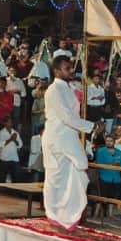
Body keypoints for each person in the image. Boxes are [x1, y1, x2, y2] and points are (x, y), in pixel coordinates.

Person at [41, 56, 96, 231]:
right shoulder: (53, 90)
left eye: (72, 68)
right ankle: (54, 215)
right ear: (57, 71)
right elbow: (66, 117)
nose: (71, 71)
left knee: (77, 172)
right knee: (55, 178)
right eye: (67, 68)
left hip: (69, 135)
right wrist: (92, 127)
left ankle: (69, 216)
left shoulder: (69, 87)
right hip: (58, 137)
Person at [0, 116, 22, 184]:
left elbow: (20, 145)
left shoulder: (15, 132)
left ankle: (14, 192)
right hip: (4, 158)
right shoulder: (1, 132)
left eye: (11, 122)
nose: (10, 124)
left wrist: (15, 140)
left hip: (14, 158)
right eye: (8, 122)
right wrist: (10, 139)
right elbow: (0, 144)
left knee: (16, 177)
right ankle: (2, 192)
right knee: (2, 177)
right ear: (4, 123)